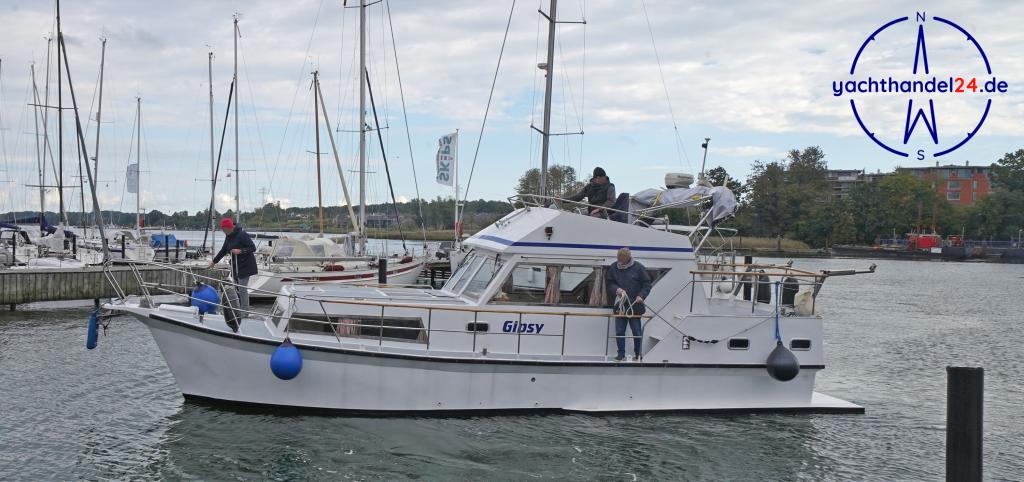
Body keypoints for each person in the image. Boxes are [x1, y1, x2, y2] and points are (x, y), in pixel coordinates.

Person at [606, 247, 652, 362]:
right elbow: (609, 283)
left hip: (635, 306)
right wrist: (617, 290)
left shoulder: (639, 268)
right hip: (620, 307)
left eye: (621, 260)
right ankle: (620, 354)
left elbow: (647, 284)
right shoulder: (613, 267)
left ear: (628, 258)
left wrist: (641, 296)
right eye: (618, 259)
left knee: (636, 332)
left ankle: (638, 354)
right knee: (619, 331)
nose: (619, 262)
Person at [208, 218, 258, 312]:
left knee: (242, 289)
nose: (224, 232)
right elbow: (224, 250)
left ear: (230, 227)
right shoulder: (228, 236)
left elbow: (253, 248)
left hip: (246, 265)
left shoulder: (242, 235)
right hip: (236, 266)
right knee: (236, 288)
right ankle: (238, 309)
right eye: (223, 230)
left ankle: (245, 312)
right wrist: (214, 262)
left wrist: (240, 251)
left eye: (225, 230)